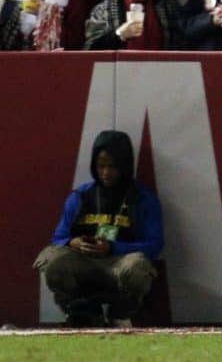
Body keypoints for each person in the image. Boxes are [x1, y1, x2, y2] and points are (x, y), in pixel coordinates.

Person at [36, 130, 163, 328]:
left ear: (125, 165)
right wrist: (73, 242)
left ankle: (120, 314)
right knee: (53, 260)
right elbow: (58, 237)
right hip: (85, 262)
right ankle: (78, 310)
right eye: (101, 166)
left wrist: (112, 248)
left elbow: (155, 245)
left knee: (138, 268)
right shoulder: (80, 195)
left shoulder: (143, 198)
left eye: (112, 166)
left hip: (120, 263)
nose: (106, 173)